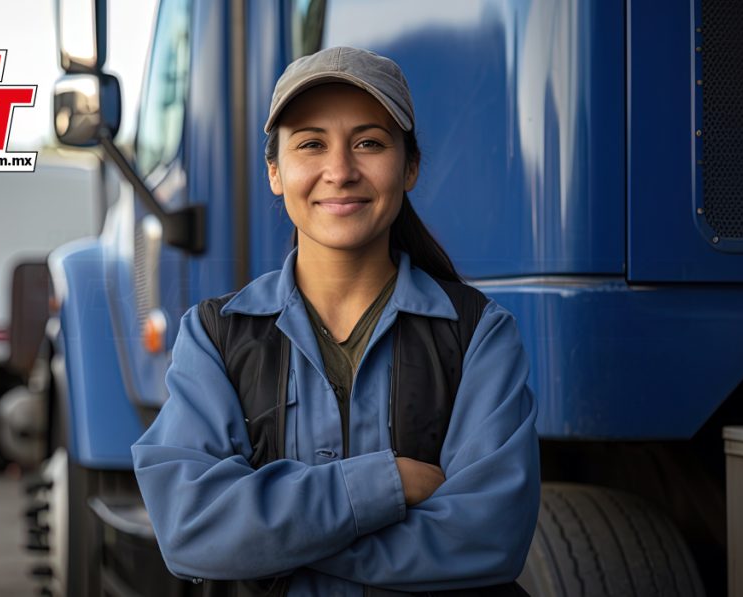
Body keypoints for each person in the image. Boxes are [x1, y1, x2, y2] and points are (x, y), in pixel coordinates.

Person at [132, 46, 539, 596]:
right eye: (311, 144)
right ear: (275, 172)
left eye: (369, 143)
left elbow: (487, 538)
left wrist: (271, 544)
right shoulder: (215, 337)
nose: (341, 171)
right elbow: (190, 529)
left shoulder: (479, 335)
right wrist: (384, 485)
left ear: (410, 166)